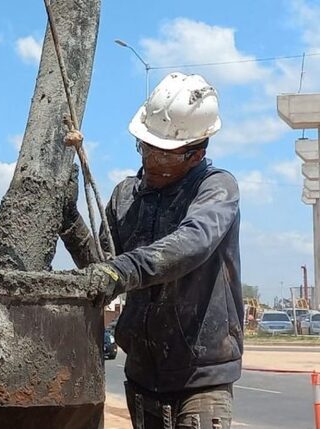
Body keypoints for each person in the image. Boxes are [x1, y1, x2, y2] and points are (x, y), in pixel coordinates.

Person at [61, 72, 243, 429]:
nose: (150, 160)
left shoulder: (216, 189)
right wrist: (70, 220)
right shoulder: (126, 195)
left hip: (201, 374)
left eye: (164, 154)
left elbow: (192, 243)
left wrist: (121, 270)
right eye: (146, 148)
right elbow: (103, 266)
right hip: (144, 369)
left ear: (196, 153)